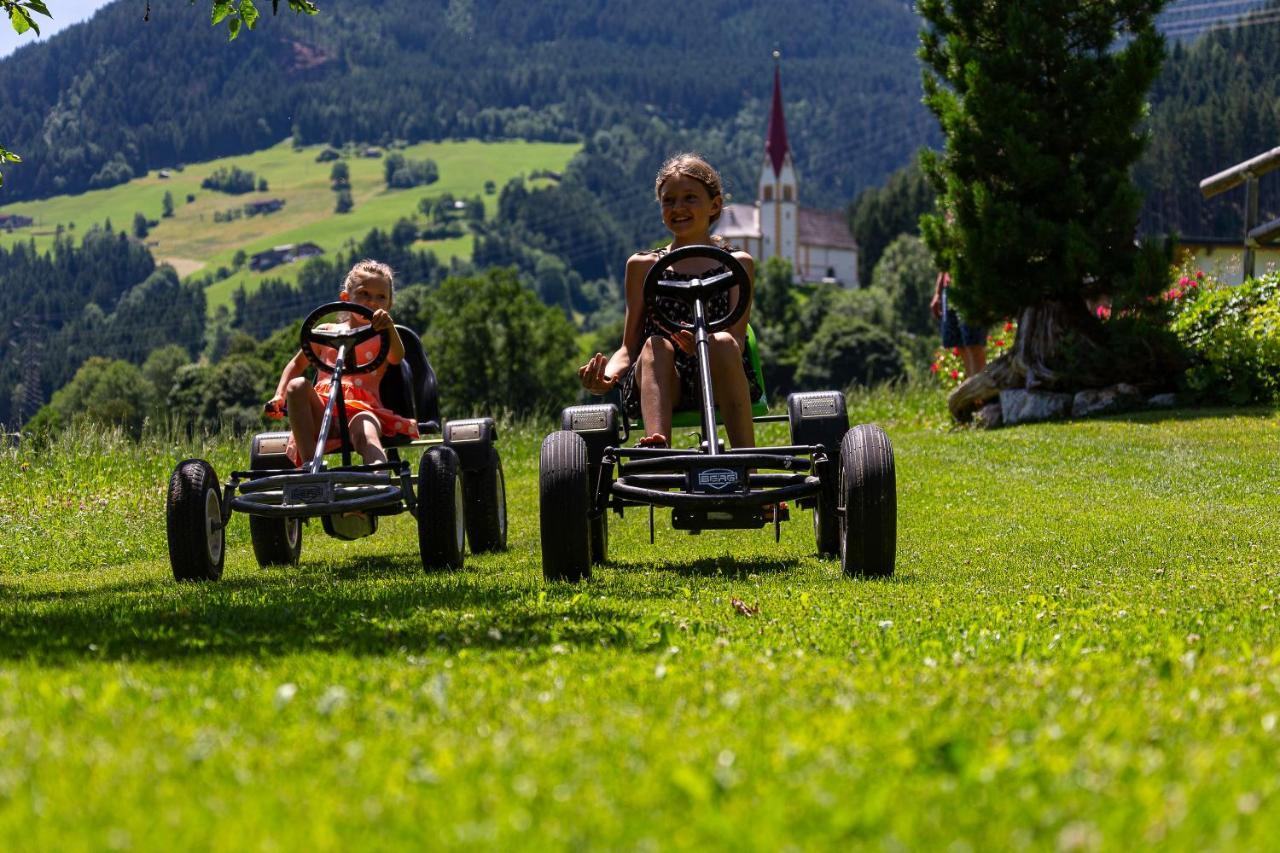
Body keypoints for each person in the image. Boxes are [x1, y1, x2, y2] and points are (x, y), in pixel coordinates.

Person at [577, 153, 762, 450]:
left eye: (690, 198)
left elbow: (738, 338)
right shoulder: (642, 265)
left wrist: (703, 341)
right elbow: (629, 348)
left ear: (714, 205)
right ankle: (658, 447)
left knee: (723, 342)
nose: (678, 208)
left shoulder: (736, 264)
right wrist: (607, 377)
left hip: (719, 373)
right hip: (662, 379)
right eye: (669, 200)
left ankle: (748, 464)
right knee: (655, 345)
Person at [265, 259, 419, 468]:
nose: (372, 302)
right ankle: (311, 468)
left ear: (388, 305)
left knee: (366, 434)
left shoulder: (383, 336)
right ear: (346, 298)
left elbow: (396, 357)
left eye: (380, 297)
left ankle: (378, 477)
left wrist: (389, 327)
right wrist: (279, 395)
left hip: (362, 411)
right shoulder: (325, 333)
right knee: (297, 386)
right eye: (364, 294)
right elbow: (296, 365)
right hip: (323, 410)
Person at [931, 269, 987, 378]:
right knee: (960, 345)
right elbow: (944, 258)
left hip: (971, 285)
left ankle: (981, 391)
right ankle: (973, 389)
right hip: (949, 288)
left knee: (974, 344)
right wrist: (938, 292)